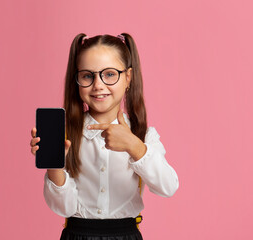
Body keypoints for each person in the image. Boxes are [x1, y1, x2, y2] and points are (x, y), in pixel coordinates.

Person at [30, 33, 179, 240]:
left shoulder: (142, 135)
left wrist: (133, 146)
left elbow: (168, 187)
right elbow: (63, 207)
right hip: (77, 234)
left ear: (128, 77)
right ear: (77, 80)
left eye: (109, 74)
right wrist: (55, 165)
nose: (98, 85)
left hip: (126, 235)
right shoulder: (66, 135)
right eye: (87, 76)